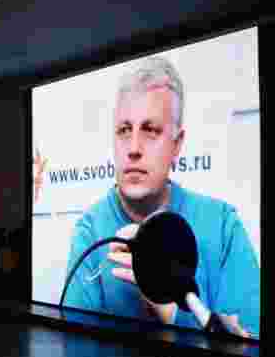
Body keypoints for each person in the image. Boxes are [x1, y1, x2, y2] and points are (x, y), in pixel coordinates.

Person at [63, 57, 260, 338]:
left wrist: (171, 311)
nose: (133, 148)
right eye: (124, 130)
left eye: (150, 130)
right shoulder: (90, 229)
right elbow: (73, 348)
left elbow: (250, 346)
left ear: (176, 145)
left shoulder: (223, 226)